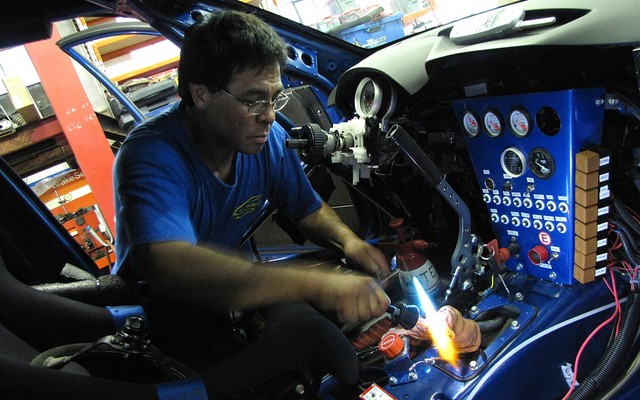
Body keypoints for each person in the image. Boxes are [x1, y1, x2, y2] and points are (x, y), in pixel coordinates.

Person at [112, 9, 391, 397]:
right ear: (201, 94)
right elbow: (170, 264)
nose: (270, 116)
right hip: (161, 310)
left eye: (275, 98)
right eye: (254, 101)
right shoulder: (151, 154)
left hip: (232, 291)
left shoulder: (267, 139)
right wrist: (315, 283)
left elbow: (305, 208)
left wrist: (349, 242)